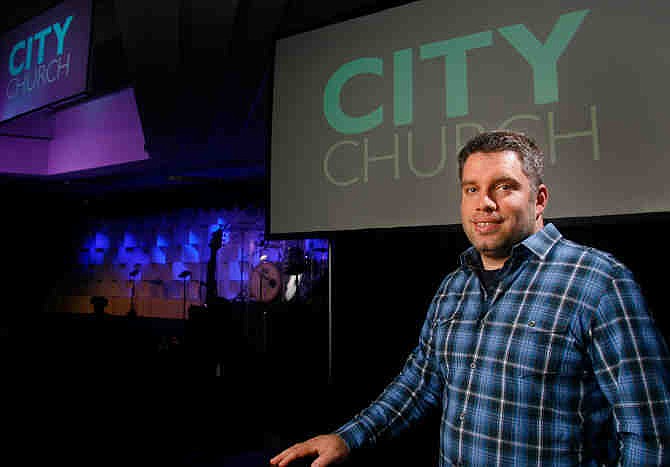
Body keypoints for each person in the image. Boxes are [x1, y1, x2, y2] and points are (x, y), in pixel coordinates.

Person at [270, 131, 670, 466]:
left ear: (540, 198)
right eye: (472, 189)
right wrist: (347, 439)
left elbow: (648, 431)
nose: (485, 202)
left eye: (505, 186)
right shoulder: (453, 288)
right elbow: (419, 384)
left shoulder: (599, 282)